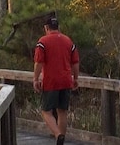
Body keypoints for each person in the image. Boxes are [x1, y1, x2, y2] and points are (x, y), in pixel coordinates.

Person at [33, 15, 80, 145]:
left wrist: (35, 79)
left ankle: (58, 134)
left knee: (46, 112)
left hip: (51, 81)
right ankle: (61, 141)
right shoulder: (68, 41)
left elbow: (39, 62)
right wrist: (75, 78)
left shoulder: (43, 42)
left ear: (46, 28)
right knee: (62, 111)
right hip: (66, 81)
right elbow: (75, 62)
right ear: (58, 27)